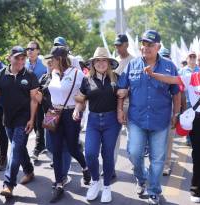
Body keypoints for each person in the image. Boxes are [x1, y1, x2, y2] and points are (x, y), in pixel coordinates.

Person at [145, 47, 200, 204]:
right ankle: (196, 190)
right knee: (198, 159)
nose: (199, 64)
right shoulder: (191, 77)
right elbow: (171, 79)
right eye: (198, 60)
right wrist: (152, 74)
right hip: (197, 122)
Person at [117, 30, 181, 205]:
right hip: (137, 119)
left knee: (158, 159)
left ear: (158, 46)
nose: (146, 47)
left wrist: (176, 113)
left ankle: (153, 190)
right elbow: (122, 90)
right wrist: (119, 110)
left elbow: (176, 93)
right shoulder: (132, 65)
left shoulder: (169, 66)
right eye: (144, 44)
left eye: (150, 44)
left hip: (160, 121)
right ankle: (141, 177)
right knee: (134, 153)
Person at [0, 46, 39, 198]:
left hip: (24, 119)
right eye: (17, 58)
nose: (21, 61)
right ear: (9, 58)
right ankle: (29, 171)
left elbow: (34, 100)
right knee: (19, 148)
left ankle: (8, 184)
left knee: (15, 149)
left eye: (23, 58)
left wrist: (31, 119)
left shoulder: (29, 75)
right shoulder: (0, 74)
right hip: (8, 119)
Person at [44, 46, 90, 203]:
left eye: (53, 58)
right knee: (55, 150)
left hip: (71, 114)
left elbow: (83, 96)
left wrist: (78, 109)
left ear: (60, 59)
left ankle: (85, 167)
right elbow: (49, 92)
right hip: (53, 113)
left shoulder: (77, 74)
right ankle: (58, 184)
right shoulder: (53, 73)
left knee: (72, 147)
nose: (50, 61)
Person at [75, 47, 121, 203]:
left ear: (108, 63)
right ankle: (95, 181)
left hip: (112, 121)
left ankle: (107, 186)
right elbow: (81, 99)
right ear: (93, 64)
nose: (101, 63)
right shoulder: (86, 80)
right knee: (90, 153)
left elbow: (123, 97)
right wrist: (76, 110)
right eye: (97, 60)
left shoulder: (116, 78)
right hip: (93, 121)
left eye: (104, 60)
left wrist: (123, 108)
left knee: (108, 155)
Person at [34, 58, 73, 189]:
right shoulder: (44, 78)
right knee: (50, 146)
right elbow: (37, 95)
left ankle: (63, 176)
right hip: (50, 115)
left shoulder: (66, 77)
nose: (51, 65)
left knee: (65, 147)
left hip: (65, 114)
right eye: (49, 63)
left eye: (53, 62)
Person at [112, 34, 134, 179]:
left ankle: (136, 164)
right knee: (113, 139)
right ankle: (110, 167)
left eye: (120, 45)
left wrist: (127, 91)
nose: (118, 47)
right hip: (115, 105)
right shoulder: (113, 63)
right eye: (116, 45)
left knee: (133, 140)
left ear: (126, 44)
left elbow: (138, 84)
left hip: (131, 105)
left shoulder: (134, 61)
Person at [25, 41, 48, 161]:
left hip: (39, 97)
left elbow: (49, 79)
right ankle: (42, 144)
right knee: (32, 122)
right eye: (28, 48)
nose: (29, 51)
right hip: (26, 99)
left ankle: (37, 148)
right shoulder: (23, 63)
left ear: (38, 51)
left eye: (32, 49)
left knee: (39, 122)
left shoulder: (44, 64)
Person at [159, 47, 176, 176]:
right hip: (154, 113)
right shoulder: (155, 69)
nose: (166, 58)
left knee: (169, 139)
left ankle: (166, 165)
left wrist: (177, 113)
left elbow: (178, 92)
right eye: (163, 56)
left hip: (169, 111)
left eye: (167, 56)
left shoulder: (172, 68)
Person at [178, 50, 199, 146]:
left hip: (198, 100)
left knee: (197, 120)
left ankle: (196, 138)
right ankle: (188, 138)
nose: (192, 59)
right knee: (188, 119)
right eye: (190, 57)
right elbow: (178, 84)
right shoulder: (182, 71)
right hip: (186, 100)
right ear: (187, 59)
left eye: (194, 57)